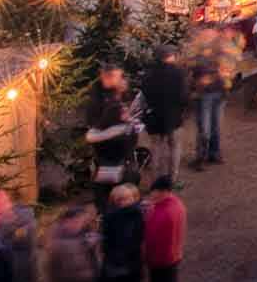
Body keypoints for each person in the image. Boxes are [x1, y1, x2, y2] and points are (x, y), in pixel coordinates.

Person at [142, 170, 187, 282]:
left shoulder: (163, 214)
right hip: (173, 257)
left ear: (162, 192)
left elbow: (149, 236)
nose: (151, 195)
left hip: (162, 261)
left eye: (153, 192)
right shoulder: (176, 204)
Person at [137, 48, 192, 178]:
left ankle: (155, 181)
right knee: (174, 147)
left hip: (154, 116)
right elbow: (183, 96)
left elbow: (144, 95)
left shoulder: (148, 74)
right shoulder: (178, 73)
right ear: (171, 56)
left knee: (155, 148)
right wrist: (184, 109)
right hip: (173, 116)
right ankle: (172, 178)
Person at [84, 66, 141, 187]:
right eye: (119, 77)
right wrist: (117, 129)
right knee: (111, 186)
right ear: (107, 78)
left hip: (123, 152)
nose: (122, 80)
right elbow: (95, 129)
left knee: (126, 181)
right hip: (109, 154)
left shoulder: (114, 95)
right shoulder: (99, 100)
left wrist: (127, 120)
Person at [184, 24, 229, 165]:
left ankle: (210, 154)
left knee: (212, 126)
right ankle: (204, 156)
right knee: (206, 127)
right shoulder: (196, 54)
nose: (211, 37)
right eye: (208, 35)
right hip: (207, 94)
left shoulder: (217, 51)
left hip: (215, 93)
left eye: (212, 35)